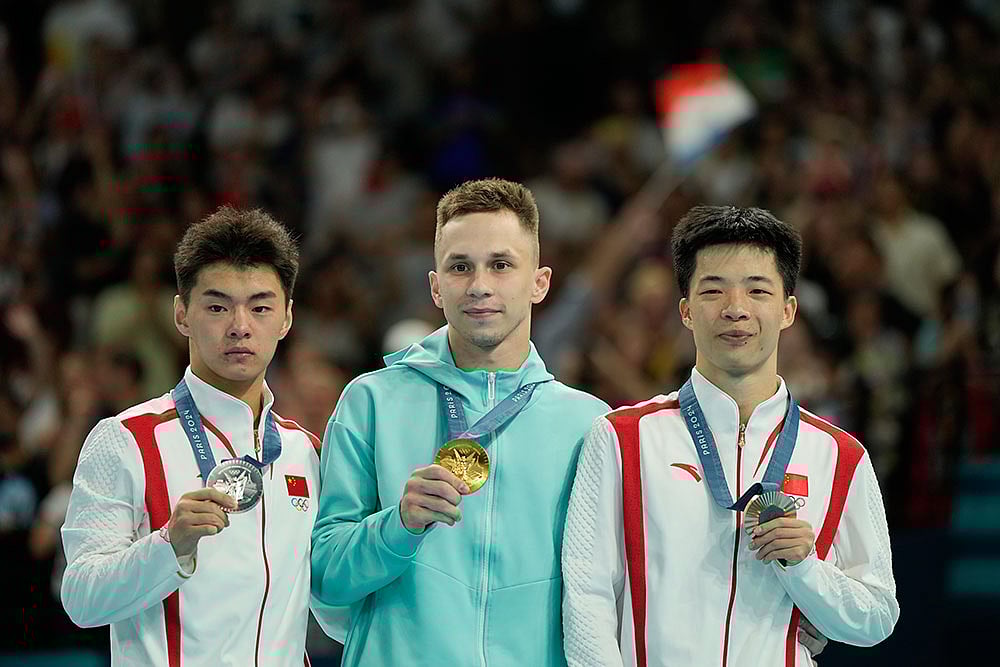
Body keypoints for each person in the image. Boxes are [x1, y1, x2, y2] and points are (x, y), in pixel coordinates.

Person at [561, 205, 899, 666]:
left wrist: (806, 570)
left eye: (757, 290)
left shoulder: (840, 457)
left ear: (787, 310)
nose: (735, 309)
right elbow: (587, 596)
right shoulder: (621, 439)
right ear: (685, 311)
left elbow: (877, 617)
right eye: (713, 290)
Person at [310, 178, 612, 665]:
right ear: (436, 286)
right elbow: (324, 580)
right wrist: (398, 525)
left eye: (501, 265)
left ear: (540, 283)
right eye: (460, 266)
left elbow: (607, 593)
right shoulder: (371, 402)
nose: (479, 285)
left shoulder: (591, 424)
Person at [61, 206, 345, 666]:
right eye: (217, 307)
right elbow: (81, 598)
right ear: (182, 315)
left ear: (286, 318)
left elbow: (331, 610)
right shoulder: (127, 439)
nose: (240, 326)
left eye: (260, 307)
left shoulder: (305, 451)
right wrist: (169, 544)